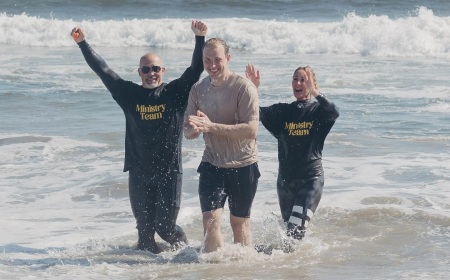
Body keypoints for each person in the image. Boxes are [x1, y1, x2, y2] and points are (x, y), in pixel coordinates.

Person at [70, 20, 208, 254]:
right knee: (145, 239)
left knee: (164, 227)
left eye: (155, 69)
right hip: (139, 172)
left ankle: (184, 250)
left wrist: (199, 38)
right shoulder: (128, 95)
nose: (151, 73)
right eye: (146, 69)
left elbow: (195, 70)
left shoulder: (174, 93)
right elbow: (103, 70)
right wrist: (82, 43)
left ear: (163, 71)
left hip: (168, 172)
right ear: (139, 72)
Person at [246, 64, 339, 243]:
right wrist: (253, 89)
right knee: (289, 234)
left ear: (311, 84)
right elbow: (254, 112)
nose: (298, 83)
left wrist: (316, 93)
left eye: (303, 80)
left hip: (311, 179)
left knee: (294, 233)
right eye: (295, 79)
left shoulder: (317, 112)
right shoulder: (283, 112)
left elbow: (334, 111)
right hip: (285, 182)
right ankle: (295, 269)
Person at [183, 38, 260, 253]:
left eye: (217, 59)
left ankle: (241, 271)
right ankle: (214, 270)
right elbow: (187, 130)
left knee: (239, 225)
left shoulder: (244, 87)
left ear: (228, 58)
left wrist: (210, 126)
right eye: (207, 60)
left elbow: (251, 130)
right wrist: (194, 130)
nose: (212, 65)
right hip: (212, 163)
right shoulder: (198, 89)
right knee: (209, 222)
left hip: (243, 164)